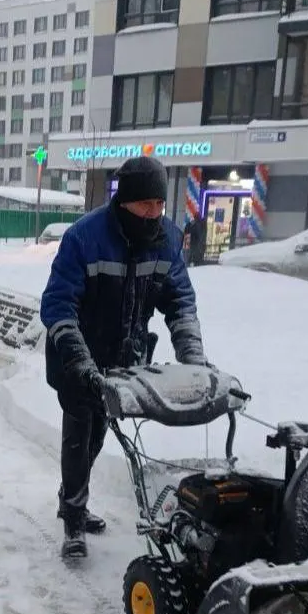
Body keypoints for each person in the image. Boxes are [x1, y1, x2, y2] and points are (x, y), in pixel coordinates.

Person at [39, 155, 213, 559]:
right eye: (145, 205)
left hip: (124, 358)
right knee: (79, 436)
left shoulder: (168, 238)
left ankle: (71, 496)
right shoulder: (85, 237)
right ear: (125, 202)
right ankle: (74, 520)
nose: (154, 213)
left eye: (160, 205)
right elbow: (58, 305)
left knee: (98, 436)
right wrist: (81, 363)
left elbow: (180, 302)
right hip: (77, 355)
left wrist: (195, 361)